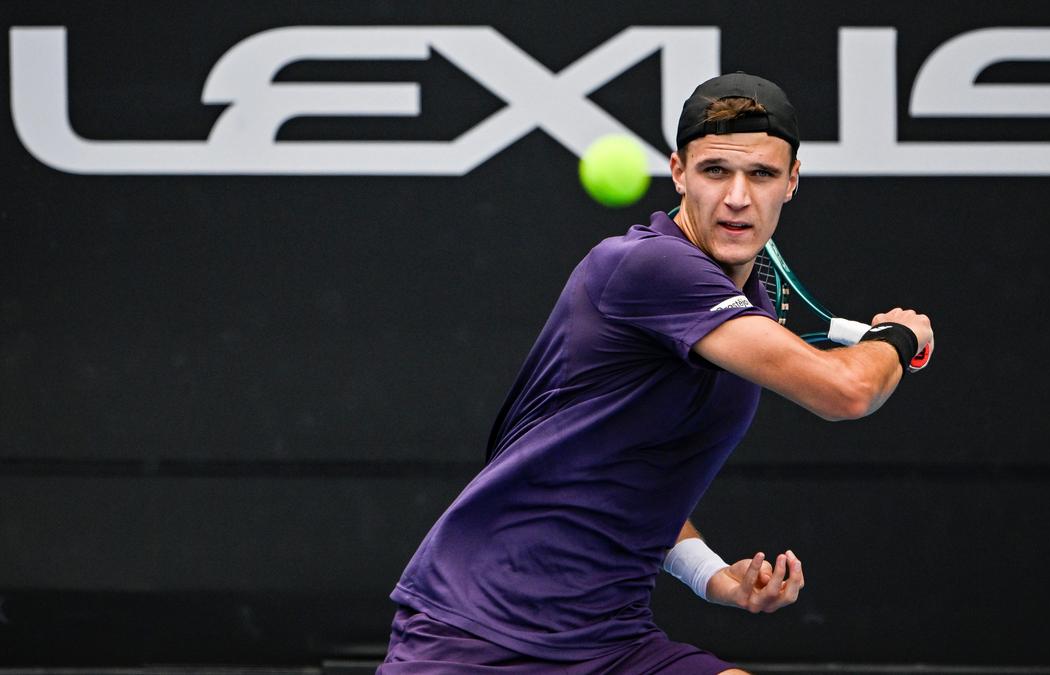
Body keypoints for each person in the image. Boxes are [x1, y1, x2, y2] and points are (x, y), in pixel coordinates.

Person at [377, 72, 933, 674]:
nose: (738, 197)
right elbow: (847, 391)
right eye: (715, 171)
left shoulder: (749, 314)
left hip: (612, 641)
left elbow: (627, 478)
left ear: (792, 181)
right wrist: (898, 337)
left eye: (762, 174)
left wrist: (711, 575)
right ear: (678, 173)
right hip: (477, 632)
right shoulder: (648, 265)